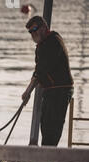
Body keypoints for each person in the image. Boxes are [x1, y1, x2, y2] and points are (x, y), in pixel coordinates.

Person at [22, 16, 74, 149]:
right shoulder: (41, 46)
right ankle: (44, 159)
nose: (33, 34)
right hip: (50, 90)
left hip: (60, 89)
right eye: (30, 32)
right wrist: (27, 91)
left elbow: (42, 70)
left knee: (52, 128)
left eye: (35, 29)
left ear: (44, 27)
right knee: (45, 124)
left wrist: (28, 91)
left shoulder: (53, 41)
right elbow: (38, 70)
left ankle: (48, 161)